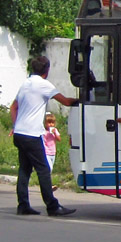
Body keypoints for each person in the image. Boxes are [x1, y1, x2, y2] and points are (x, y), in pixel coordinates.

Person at [11, 56, 79, 216]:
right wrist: (82, 99)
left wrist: (15, 126)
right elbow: (66, 102)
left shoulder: (25, 83)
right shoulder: (44, 85)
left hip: (19, 133)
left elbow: (13, 107)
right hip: (32, 134)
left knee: (24, 170)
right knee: (43, 169)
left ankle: (23, 205)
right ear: (47, 70)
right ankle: (52, 206)